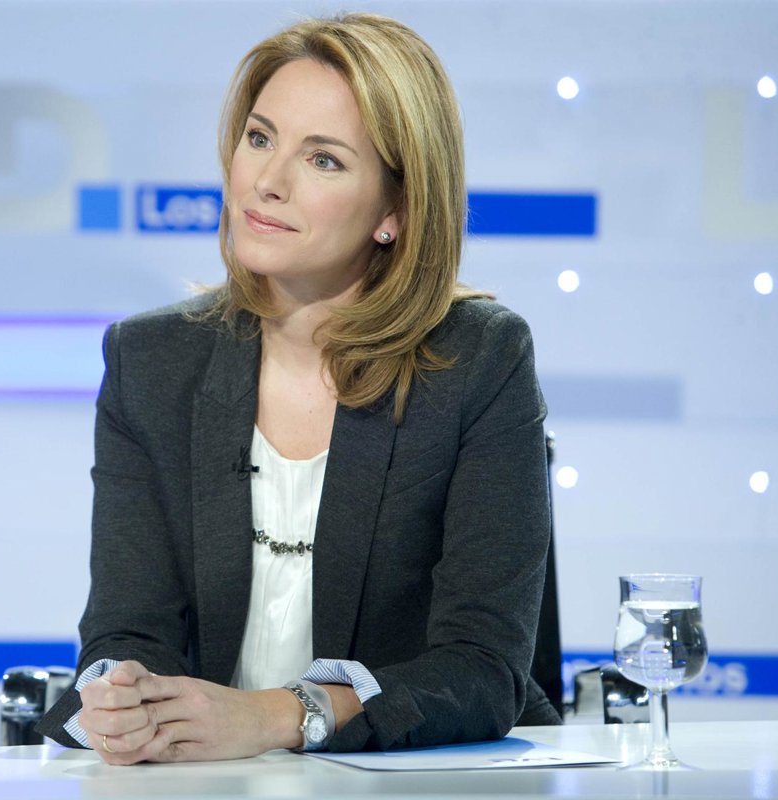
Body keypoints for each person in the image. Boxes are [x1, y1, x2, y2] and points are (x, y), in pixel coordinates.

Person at [35, 12, 560, 763]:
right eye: (259, 138)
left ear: (395, 211)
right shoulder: (151, 360)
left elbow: (481, 670)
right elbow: (128, 629)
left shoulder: (476, 359)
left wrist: (280, 716)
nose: (267, 182)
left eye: (322, 160)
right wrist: (121, 695)